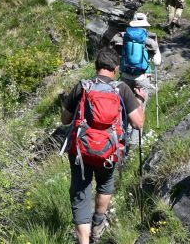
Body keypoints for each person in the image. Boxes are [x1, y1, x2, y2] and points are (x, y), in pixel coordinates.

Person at [61, 50, 146, 244]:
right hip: (109, 150)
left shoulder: (83, 86)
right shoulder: (122, 89)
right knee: (105, 185)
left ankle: (83, 241)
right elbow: (138, 123)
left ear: (96, 66)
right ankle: (98, 225)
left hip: (80, 151)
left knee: (80, 192)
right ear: (116, 69)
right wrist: (140, 100)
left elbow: (65, 120)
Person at [110, 12, 161, 143]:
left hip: (125, 77)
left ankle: (121, 138)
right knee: (139, 108)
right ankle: (134, 142)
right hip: (142, 78)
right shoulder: (149, 39)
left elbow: (116, 53)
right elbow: (157, 62)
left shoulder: (123, 37)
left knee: (123, 106)